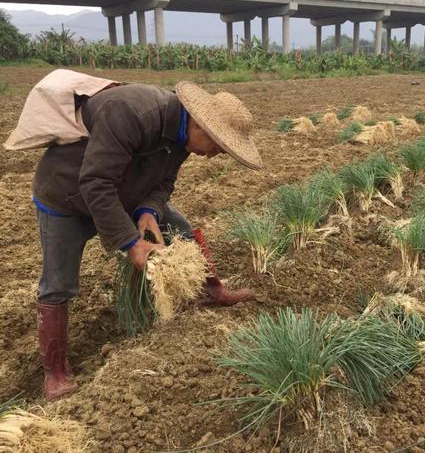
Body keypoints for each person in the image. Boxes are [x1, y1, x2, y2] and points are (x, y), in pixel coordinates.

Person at [29, 80, 262, 400]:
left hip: (121, 189)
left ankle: (211, 289)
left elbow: (164, 181)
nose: (214, 156)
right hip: (66, 196)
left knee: (180, 226)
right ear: (200, 126)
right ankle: (55, 372)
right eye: (218, 147)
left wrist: (149, 210)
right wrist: (130, 242)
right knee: (59, 282)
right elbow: (95, 183)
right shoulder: (132, 112)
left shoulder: (183, 137)